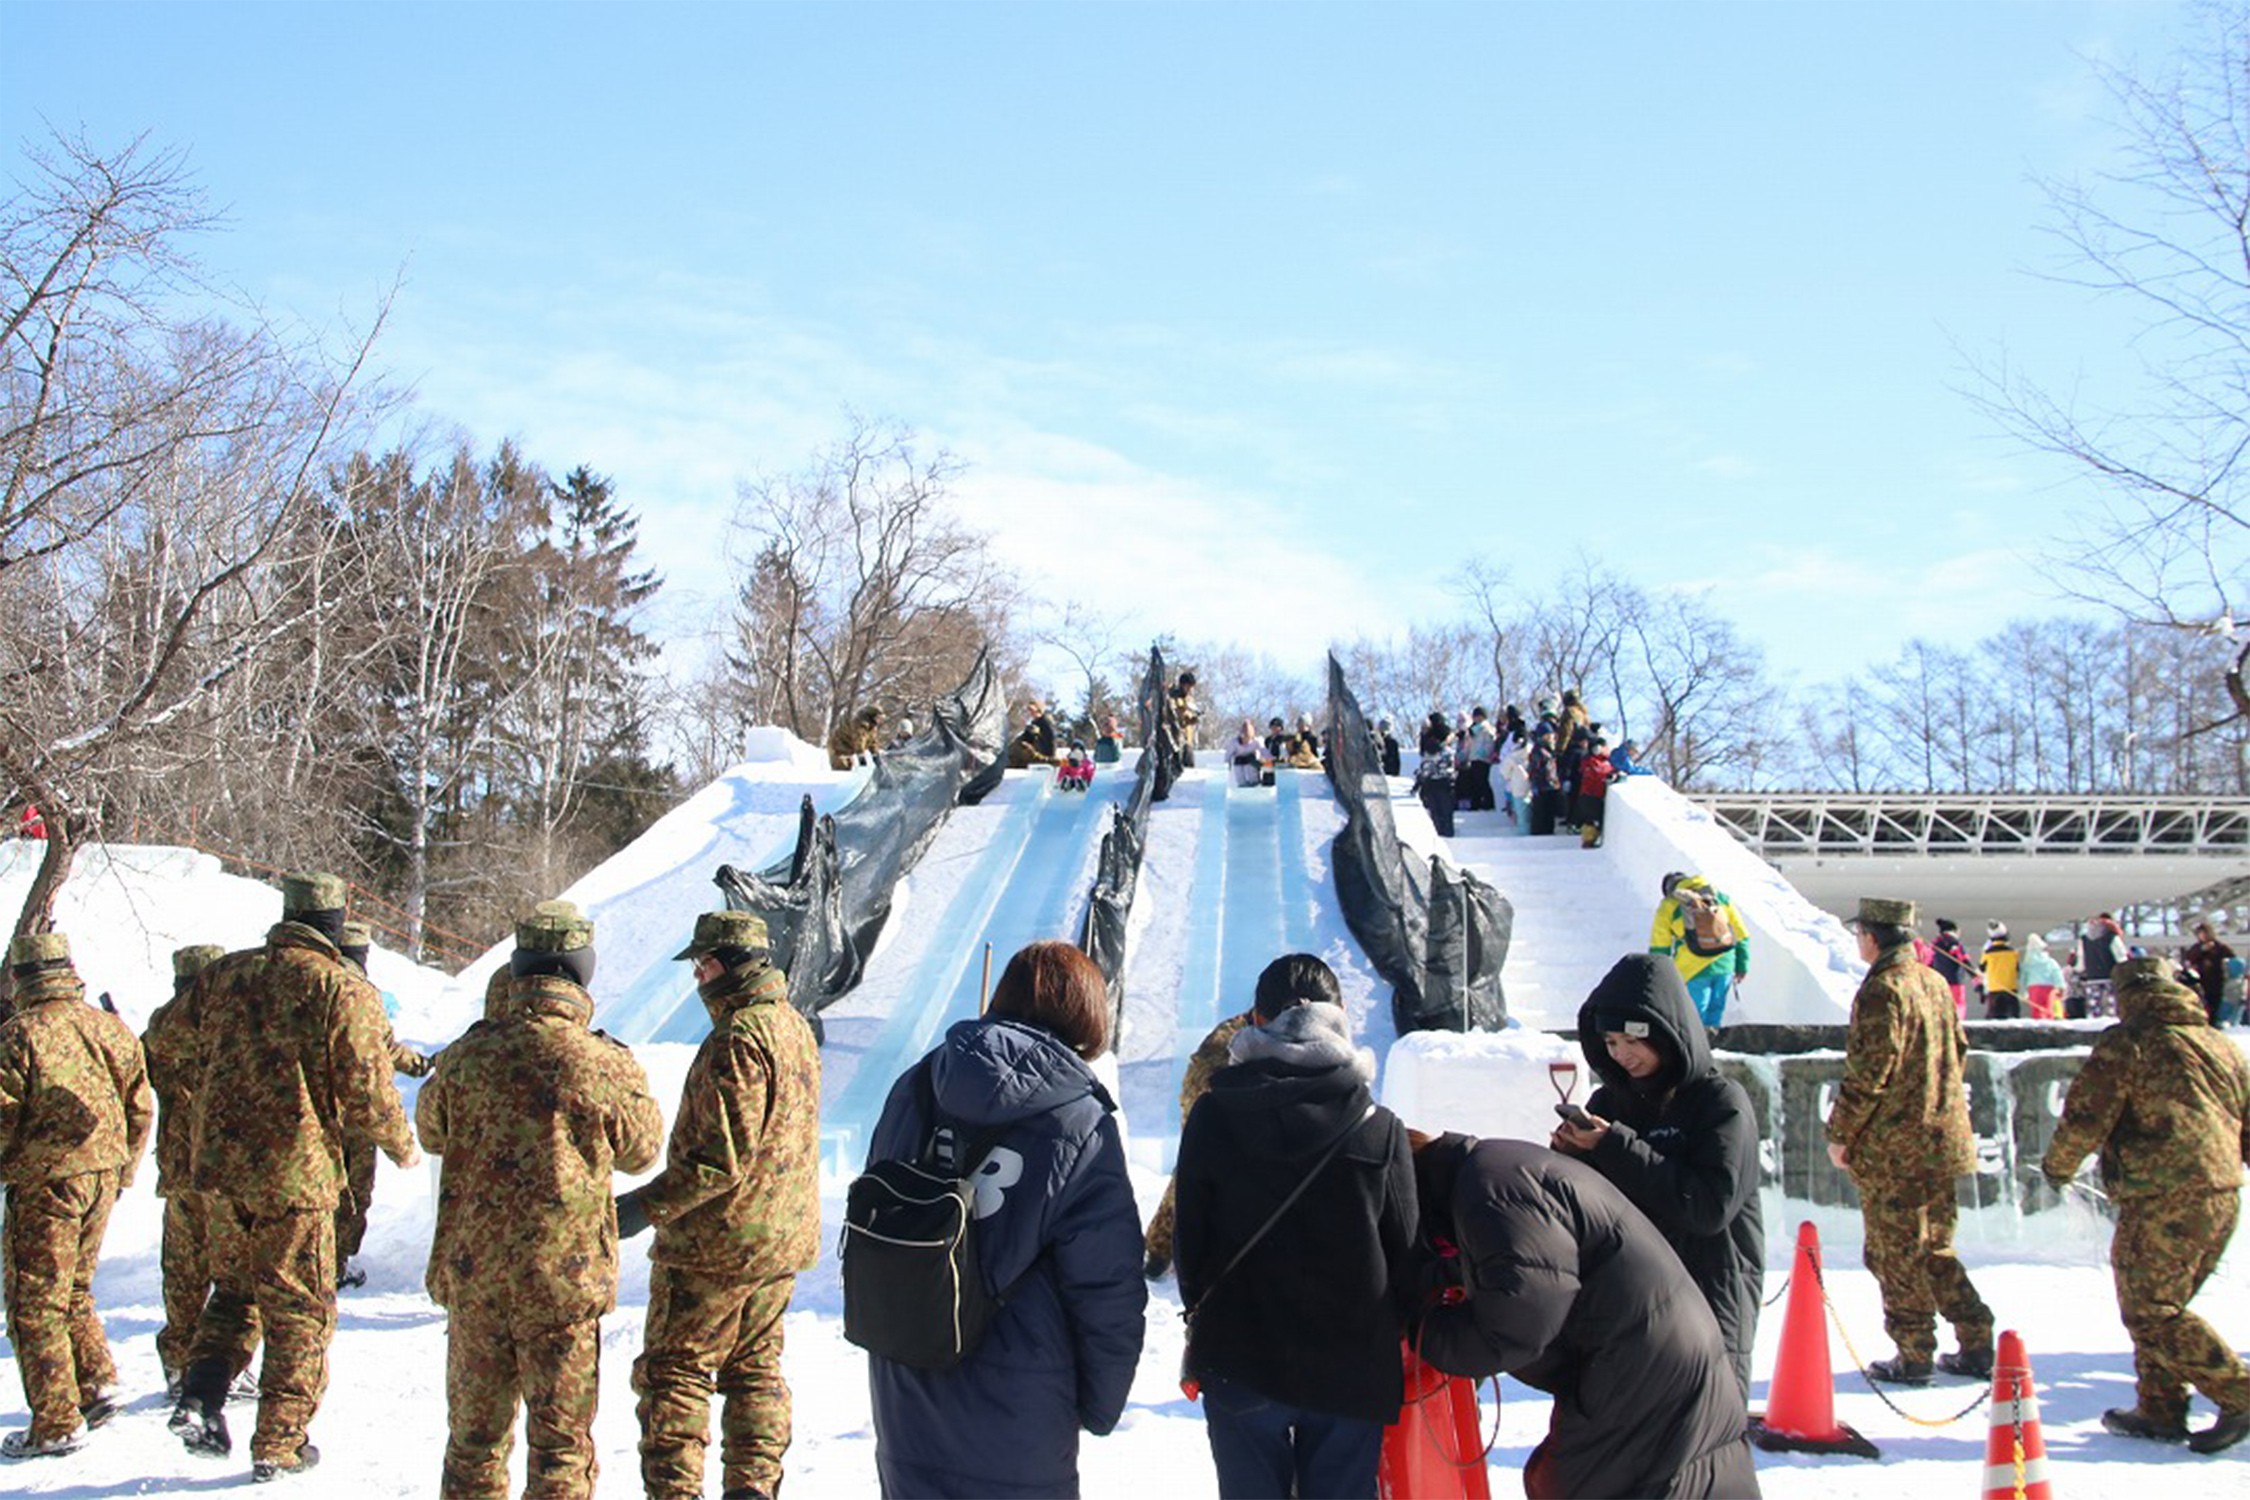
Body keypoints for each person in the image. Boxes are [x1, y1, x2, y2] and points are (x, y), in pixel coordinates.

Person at [864, 941, 1143, 1497]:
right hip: (1022, 1403)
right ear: (1086, 1012)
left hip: (906, 1375)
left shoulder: (915, 1086)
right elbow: (1107, 1285)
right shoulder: (1080, 1121)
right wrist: (1098, 1404)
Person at [168, 871, 419, 1481]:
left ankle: (200, 1396)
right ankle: (280, 1443)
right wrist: (404, 1147)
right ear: (336, 924)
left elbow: (165, 1036)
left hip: (221, 1173)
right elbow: (367, 1094)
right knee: (299, 1310)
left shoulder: (225, 976)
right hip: (295, 1177)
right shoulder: (341, 989)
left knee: (233, 1293)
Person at [418, 900, 665, 1499]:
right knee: (560, 1447)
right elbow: (643, 1151)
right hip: (563, 1285)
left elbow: (429, 1131)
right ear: (582, 971)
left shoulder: (466, 1056)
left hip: (476, 1279)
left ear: (519, 966)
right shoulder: (602, 1062)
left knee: (474, 1443)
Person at [1174, 955, 1416, 1499]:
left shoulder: (1215, 1117)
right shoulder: (1378, 1128)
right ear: (1342, 1017)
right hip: (1350, 1368)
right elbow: (1405, 1257)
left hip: (1241, 1358)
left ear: (1254, 1021)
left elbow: (1191, 1245)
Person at [1410, 1133, 1759, 1499]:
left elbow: (1517, 1324)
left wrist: (1419, 1327)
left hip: (1637, 1370)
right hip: (1658, 1358)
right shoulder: (1494, 1172)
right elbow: (1514, 1264)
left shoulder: (1491, 1189)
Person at [617, 910, 822, 1500]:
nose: (697, 978)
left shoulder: (737, 1040)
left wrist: (641, 1208)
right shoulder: (792, 1027)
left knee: (675, 1373)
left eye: (702, 965)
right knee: (754, 1372)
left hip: (716, 1246)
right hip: (778, 1240)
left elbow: (717, 1161)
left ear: (726, 967)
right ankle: (752, 1489)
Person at [2042, 955, 2250, 1453]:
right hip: (2221, 1193)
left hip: (2162, 1194)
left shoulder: (2129, 1041)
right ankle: (2159, 1407)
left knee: (2149, 1309)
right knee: (2161, 1304)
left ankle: (2238, 1390)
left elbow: (2086, 1115)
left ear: (2125, 996)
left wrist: (2057, 1168)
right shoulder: (2220, 1043)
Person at [1553, 954, 1764, 1400]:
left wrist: (1615, 1147)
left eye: (1632, 1040)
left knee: (1703, 1438)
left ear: (1668, 1032)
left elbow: (1708, 1207)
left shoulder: (1720, 1102)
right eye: (1610, 1042)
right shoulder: (1609, 1104)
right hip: (1630, 1299)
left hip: (1706, 1294)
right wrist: (1572, 1157)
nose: (1621, 1054)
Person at [1827, 896, 1993, 1385]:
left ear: (1872, 937)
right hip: (1942, 1140)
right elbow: (1959, 1050)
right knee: (1935, 1248)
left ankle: (1914, 1351)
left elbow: (1869, 1072)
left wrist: (1841, 1133)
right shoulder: (1933, 981)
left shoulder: (1883, 988)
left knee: (1893, 1252)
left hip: (1896, 1148)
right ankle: (1977, 1337)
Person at [0, 932, 152, 1460]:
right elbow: (140, 1105)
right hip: (102, 1176)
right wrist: (124, 1168)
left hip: (46, 1182)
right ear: (69, 970)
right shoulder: (109, 1028)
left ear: (21, 978)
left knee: (35, 1300)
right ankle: (96, 1383)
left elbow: (2, 1114)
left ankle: (57, 1421)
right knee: (76, 1288)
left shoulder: (19, 1035)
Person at [142, 943, 255, 1402]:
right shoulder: (233, 1027)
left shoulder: (160, 1032)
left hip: (178, 1168)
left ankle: (178, 1361)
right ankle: (224, 1364)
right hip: (222, 1172)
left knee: (183, 1274)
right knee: (233, 1278)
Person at [332, 920, 432, 1290]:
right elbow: (379, 1052)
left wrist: (416, 1063)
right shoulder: (360, 994)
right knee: (354, 1192)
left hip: (309, 1113)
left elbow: (384, 1046)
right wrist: (399, 1139)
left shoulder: (310, 985)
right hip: (356, 1114)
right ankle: (336, 1263)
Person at [1141, 1004, 1256, 1281]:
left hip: (1208, 1094)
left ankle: (1160, 1250)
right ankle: (1159, 1252)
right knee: (1193, 1171)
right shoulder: (1233, 1041)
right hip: (1208, 1095)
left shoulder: (1247, 1031)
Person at [1648, 872, 1749, 1030]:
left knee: (1694, 1016)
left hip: (1692, 968)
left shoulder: (1669, 905)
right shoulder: (1719, 897)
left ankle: (1697, 1050)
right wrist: (1742, 965)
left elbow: (1660, 946)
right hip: (1725, 964)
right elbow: (1742, 935)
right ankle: (1711, 1047)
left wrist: (1658, 976)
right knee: (1715, 1012)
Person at [2072, 911, 2130, 1019]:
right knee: (2112, 1009)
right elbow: (2121, 958)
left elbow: (2081, 960)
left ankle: (2093, 1030)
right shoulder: (2112, 937)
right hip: (2111, 977)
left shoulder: (2084, 939)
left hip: (2092, 977)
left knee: (2093, 1010)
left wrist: (2078, 971)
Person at [2180, 921, 2237, 1027]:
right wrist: (2201, 951)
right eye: (2199, 934)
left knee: (2215, 1003)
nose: (2201, 936)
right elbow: (2189, 958)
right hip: (2200, 980)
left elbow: (2232, 956)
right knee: (2203, 1003)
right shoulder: (2197, 947)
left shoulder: (2219, 946)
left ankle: (2214, 1023)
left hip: (2217, 979)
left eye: (2203, 933)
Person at [1413, 723, 1458, 838]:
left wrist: (1420, 781)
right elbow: (1451, 769)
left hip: (1430, 785)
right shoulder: (1448, 753)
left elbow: (1425, 770)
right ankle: (1448, 833)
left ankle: (1437, 836)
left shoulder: (1427, 753)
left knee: (1434, 812)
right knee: (1446, 811)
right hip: (1445, 784)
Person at [1927, 918, 1978, 1017]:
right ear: (1955, 930)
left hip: (1939, 982)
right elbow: (1964, 960)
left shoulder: (1935, 945)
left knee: (1941, 1009)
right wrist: (1975, 977)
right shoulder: (1954, 943)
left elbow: (1929, 963)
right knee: (1957, 1008)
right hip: (1954, 982)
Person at [1574, 736, 1620, 848]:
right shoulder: (1590, 761)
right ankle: (1588, 841)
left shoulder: (1606, 762)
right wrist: (1607, 777)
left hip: (1597, 795)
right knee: (1591, 820)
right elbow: (1596, 775)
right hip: (1590, 795)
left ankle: (1592, 839)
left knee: (1597, 818)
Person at [1980, 920, 2022, 1020]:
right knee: (2013, 1017)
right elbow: (2018, 968)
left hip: (1994, 989)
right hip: (2010, 988)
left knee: (1993, 1017)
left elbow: (1982, 967)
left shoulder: (1987, 953)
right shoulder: (2013, 953)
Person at [2020, 931, 2066, 1021]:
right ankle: (2051, 1025)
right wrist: (2060, 986)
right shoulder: (2050, 961)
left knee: (2037, 1010)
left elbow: (2023, 978)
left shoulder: (2027, 963)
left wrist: (2022, 991)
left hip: (2033, 988)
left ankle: (2039, 1028)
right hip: (2049, 988)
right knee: (2049, 1008)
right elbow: (2056, 972)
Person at [828, 705, 886, 771]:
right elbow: (859, 740)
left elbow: (873, 742)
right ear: (871, 716)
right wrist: (861, 757)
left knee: (849, 770)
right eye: (878, 717)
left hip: (849, 749)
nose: (880, 720)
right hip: (838, 748)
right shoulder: (860, 724)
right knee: (842, 770)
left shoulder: (872, 726)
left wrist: (875, 755)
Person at [1460, 706, 1497, 811]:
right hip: (1473, 758)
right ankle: (1475, 804)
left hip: (1483, 759)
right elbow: (1469, 744)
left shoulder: (1487, 729)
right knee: (1474, 782)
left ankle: (1488, 803)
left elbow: (1490, 743)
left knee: (1483, 781)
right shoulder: (1472, 730)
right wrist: (1465, 755)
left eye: (1478, 717)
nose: (1476, 719)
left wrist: (1484, 753)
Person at [1007, 700, 1059, 769]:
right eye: (1029, 710)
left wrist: (1051, 757)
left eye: (1032, 710)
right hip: (1034, 750)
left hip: (1042, 753)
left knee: (1018, 749)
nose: (1030, 713)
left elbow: (1051, 739)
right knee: (1016, 747)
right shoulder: (1034, 723)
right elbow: (1026, 738)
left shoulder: (1045, 722)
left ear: (1038, 710)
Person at [1169, 671, 1202, 767]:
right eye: (1188, 686)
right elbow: (1172, 715)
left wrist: (1194, 719)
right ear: (1182, 685)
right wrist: (1182, 713)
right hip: (1177, 740)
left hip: (1188, 739)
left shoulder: (1189, 699)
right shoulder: (1173, 697)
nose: (1190, 689)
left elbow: (1190, 716)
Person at [1228, 719, 1265, 789]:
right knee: (1238, 767)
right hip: (1239, 759)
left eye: (1247, 738)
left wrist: (1262, 760)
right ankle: (1242, 784)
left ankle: (1254, 782)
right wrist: (1227, 764)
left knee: (1251, 766)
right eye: (1243, 738)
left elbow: (1263, 751)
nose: (1245, 741)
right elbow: (1228, 754)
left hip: (1251, 759)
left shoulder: (1256, 741)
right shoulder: (1234, 742)